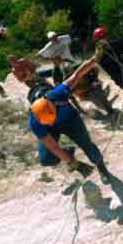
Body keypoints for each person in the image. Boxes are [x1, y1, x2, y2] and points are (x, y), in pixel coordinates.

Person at [28, 55, 112, 184]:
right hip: (52, 129)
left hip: (70, 119)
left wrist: (94, 58)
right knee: (47, 159)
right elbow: (53, 147)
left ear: (54, 105)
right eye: (47, 122)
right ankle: (68, 151)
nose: (51, 122)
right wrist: (73, 163)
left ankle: (102, 169)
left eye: (51, 119)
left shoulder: (57, 94)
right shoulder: (34, 121)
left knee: (86, 144)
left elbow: (77, 74)